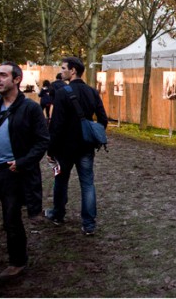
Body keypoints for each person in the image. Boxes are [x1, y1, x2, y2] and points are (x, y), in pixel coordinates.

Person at [0, 61, 49, 288]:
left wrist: (23, 162)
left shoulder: (30, 108)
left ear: (17, 80)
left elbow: (42, 141)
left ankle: (18, 261)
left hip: (12, 172)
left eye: (3, 75)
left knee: (11, 220)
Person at [45, 56, 108, 235]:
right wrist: (94, 134)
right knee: (87, 184)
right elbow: (103, 119)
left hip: (64, 148)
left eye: (64, 68)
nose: (62, 71)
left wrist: (51, 149)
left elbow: (56, 124)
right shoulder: (92, 92)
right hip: (86, 147)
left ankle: (58, 214)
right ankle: (89, 224)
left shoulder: (63, 93)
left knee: (60, 180)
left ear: (73, 71)